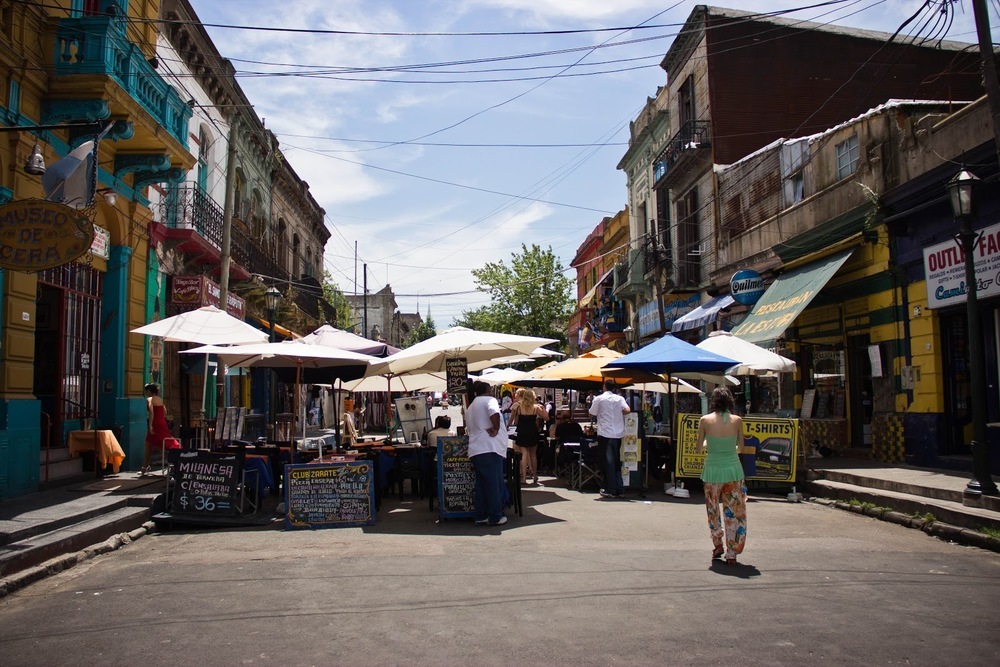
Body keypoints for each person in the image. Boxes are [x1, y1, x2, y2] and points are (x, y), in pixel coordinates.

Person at [697, 386, 748, 566]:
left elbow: (698, 448)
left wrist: (708, 443)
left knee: (713, 510)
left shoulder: (705, 420)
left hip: (712, 470)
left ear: (714, 402)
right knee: (733, 511)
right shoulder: (737, 420)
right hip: (734, 470)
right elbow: (741, 448)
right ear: (730, 402)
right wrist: (729, 449)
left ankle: (717, 543)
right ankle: (732, 552)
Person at [466, 381, 509, 526]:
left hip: (476, 449)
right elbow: (494, 412)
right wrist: (496, 427)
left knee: (481, 484)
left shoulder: (471, 406)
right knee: (493, 484)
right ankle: (495, 516)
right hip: (489, 447)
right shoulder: (489, 400)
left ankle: (481, 515)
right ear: (488, 390)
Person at [589, 379, 630, 498]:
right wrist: (618, 413)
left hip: (606, 434)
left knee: (608, 462)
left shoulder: (599, 399)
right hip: (618, 434)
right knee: (616, 461)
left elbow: (592, 413)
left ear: (604, 387)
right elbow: (627, 410)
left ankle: (611, 488)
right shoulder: (620, 398)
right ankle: (620, 488)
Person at [508, 388, 547, 485]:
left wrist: (507, 426)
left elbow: (512, 418)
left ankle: (524, 478)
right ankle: (534, 476)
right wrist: (543, 408)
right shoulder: (535, 408)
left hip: (522, 431)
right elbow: (546, 417)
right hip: (532, 430)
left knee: (524, 454)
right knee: (533, 454)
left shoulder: (518, 407)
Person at [142, 383, 176, 475]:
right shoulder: (160, 399)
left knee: (149, 444)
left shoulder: (149, 399)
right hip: (162, 422)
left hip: (155, 423)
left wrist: (150, 425)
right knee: (157, 443)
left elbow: (151, 412)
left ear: (149, 391)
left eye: (146, 390)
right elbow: (164, 411)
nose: (145, 392)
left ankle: (145, 467)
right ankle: (145, 466)